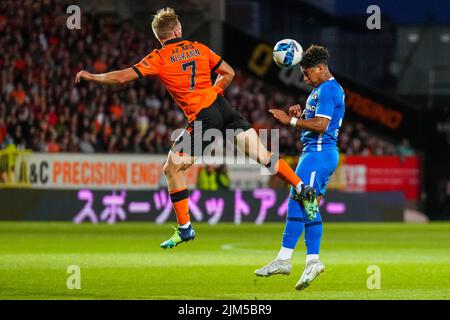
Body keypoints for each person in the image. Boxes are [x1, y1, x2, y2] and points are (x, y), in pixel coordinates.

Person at [75, 7, 316, 249]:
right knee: (265, 157)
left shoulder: (159, 57)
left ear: (160, 36)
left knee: (172, 168)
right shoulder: (199, 47)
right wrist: (214, 90)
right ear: (177, 29)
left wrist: (92, 76)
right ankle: (301, 187)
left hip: (204, 115)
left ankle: (185, 228)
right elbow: (229, 72)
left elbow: (122, 77)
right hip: (223, 106)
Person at [256, 45, 345, 291]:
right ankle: (304, 261)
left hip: (318, 154)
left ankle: (290, 259)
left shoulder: (327, 89)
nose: (304, 78)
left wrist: (291, 120)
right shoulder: (319, 90)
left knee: (300, 200)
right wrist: (300, 115)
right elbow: (312, 121)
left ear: (321, 68)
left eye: (307, 73)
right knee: (307, 204)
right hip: (316, 154)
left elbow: (321, 125)